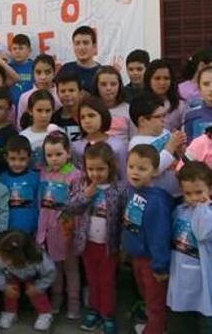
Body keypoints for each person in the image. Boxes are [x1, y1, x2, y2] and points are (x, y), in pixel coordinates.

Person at [64, 143, 129, 334]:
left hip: (110, 246)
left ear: (111, 166)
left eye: (100, 169)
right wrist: (86, 195)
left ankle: (107, 314)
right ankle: (93, 310)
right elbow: (70, 208)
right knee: (92, 279)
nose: (95, 174)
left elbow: (125, 218)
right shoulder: (81, 184)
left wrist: (124, 245)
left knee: (107, 280)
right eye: (91, 168)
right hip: (87, 243)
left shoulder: (119, 188)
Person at [167, 162, 212, 334]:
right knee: (179, 313)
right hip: (179, 273)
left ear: (211, 188)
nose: (193, 198)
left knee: (203, 313)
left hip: (200, 275)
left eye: (199, 192)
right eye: (188, 193)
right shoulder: (180, 210)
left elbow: (201, 233)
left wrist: (203, 208)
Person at [122, 145, 171, 334]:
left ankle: (156, 329)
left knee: (154, 303)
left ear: (155, 171)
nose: (135, 172)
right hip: (136, 258)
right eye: (131, 166)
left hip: (151, 262)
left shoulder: (157, 201)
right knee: (146, 297)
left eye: (142, 168)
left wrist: (159, 266)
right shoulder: (133, 191)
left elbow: (159, 236)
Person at [36, 132, 82, 319]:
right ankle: (56, 299)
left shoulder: (76, 176)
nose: (53, 159)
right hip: (46, 230)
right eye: (49, 155)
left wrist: (72, 227)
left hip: (66, 230)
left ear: (68, 153)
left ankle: (74, 302)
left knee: (71, 268)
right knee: (53, 268)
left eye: (58, 154)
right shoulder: (43, 173)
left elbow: (79, 204)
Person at [0, 230, 56, 331]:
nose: (1, 259)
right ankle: (10, 312)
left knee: (33, 288)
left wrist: (38, 287)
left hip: (33, 278)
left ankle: (45, 313)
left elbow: (50, 274)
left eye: (5, 258)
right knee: (10, 287)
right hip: (12, 277)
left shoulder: (38, 259)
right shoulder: (1, 258)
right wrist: (4, 286)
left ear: (19, 257)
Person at [128, 92, 186, 197]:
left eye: (164, 115)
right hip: (158, 196)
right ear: (142, 121)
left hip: (179, 191)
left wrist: (180, 148)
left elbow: (178, 157)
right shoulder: (137, 144)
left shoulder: (166, 132)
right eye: (159, 116)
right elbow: (154, 169)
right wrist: (171, 146)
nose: (164, 119)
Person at [71, 95, 128, 178]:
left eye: (91, 116)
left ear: (103, 116)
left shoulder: (117, 145)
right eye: (82, 117)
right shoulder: (76, 146)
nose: (87, 121)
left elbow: (123, 174)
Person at [0, 136, 40, 235]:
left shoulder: (35, 178)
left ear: (29, 157)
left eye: (22, 159)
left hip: (30, 230)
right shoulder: (2, 178)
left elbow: (38, 204)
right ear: (6, 158)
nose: (17, 163)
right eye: (12, 159)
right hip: (8, 230)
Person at [19, 90, 63, 171]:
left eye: (48, 111)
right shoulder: (23, 136)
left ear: (53, 111)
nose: (44, 115)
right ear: (30, 111)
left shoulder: (60, 133)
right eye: (39, 110)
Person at [183, 66, 212, 142]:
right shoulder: (191, 116)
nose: (211, 89)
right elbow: (189, 146)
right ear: (199, 88)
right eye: (206, 84)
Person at [91, 65, 134, 143]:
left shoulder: (128, 109)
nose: (108, 88)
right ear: (96, 86)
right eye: (103, 84)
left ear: (120, 85)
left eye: (113, 84)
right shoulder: (89, 109)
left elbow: (133, 138)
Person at [16, 54, 60, 126]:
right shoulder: (25, 98)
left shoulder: (60, 96)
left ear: (54, 73)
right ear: (33, 74)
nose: (43, 77)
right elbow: (19, 126)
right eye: (38, 72)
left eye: (47, 72)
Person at [143, 58, 186, 131]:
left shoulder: (180, 106)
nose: (162, 83)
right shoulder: (141, 103)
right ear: (148, 80)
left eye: (166, 78)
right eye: (157, 78)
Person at [58, 26, 102, 92]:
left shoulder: (101, 73)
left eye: (86, 43)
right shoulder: (66, 69)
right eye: (77, 43)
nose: (81, 47)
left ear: (94, 46)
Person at [51, 70, 83, 142]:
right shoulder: (53, 119)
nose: (67, 94)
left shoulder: (88, 116)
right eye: (63, 91)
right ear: (57, 94)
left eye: (71, 90)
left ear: (80, 93)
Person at [8, 34, 35, 104]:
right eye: (14, 49)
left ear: (29, 50)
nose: (17, 51)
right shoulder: (8, 67)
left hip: (29, 107)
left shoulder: (35, 67)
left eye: (21, 48)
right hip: (11, 109)